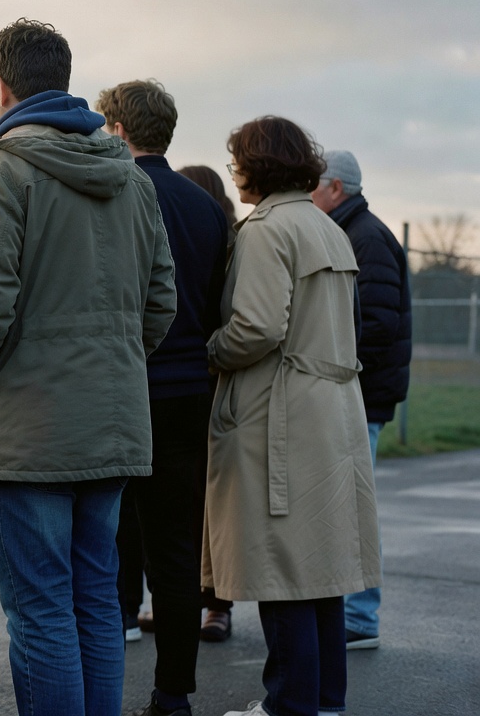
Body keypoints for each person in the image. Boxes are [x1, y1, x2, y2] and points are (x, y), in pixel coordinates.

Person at [0, 19, 177, 716]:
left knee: (41, 608)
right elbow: (161, 302)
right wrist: (113, 366)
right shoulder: (131, 181)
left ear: (0, 88)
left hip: (26, 430)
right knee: (95, 598)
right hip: (111, 421)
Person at [209, 117, 381, 716]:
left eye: (237, 161)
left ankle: (288, 705)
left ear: (257, 165)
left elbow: (257, 327)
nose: (234, 173)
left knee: (279, 564)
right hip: (331, 409)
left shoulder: (267, 229)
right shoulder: (327, 227)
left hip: (278, 412)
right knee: (321, 567)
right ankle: (324, 700)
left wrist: (210, 350)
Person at [97, 80, 230, 716]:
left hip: (124, 386)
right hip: (189, 391)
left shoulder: (114, 193)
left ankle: (94, 683)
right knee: (176, 552)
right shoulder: (206, 207)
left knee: (103, 540)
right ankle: (173, 694)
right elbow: (217, 301)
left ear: (118, 129)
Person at [310, 149, 411, 652]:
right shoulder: (354, 230)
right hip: (360, 393)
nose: (309, 194)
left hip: (362, 396)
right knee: (349, 504)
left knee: (354, 506)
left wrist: (331, 365)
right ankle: (352, 613)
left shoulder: (364, 237)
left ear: (336, 188)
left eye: (315, 184)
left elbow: (374, 322)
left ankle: (360, 616)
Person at [175, 163, 239, 643]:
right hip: (189, 378)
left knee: (209, 503)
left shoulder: (231, 243)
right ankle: (187, 602)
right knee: (184, 503)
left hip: (213, 380)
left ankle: (217, 604)